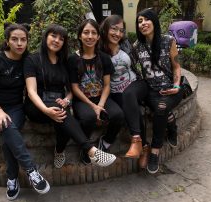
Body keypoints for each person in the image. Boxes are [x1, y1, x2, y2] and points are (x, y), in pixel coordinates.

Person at [23, 24, 116, 168]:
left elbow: (71, 89)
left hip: (58, 104)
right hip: (36, 106)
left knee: (63, 119)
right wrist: (46, 110)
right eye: (53, 36)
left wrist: (67, 99)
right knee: (63, 116)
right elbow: (31, 91)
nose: (56, 40)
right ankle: (91, 150)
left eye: (61, 38)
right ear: (45, 37)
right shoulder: (32, 60)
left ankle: (59, 150)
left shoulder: (63, 62)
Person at [0, 23, 50, 201]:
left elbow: (33, 86)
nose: (19, 43)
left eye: (23, 40)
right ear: (7, 41)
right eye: (15, 39)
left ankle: (12, 178)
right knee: (6, 125)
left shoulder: (27, 60)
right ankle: (32, 170)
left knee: (6, 135)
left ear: (27, 41)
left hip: (16, 108)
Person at [133, 8, 183, 174]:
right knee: (161, 109)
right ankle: (172, 124)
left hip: (170, 88)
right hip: (152, 91)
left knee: (161, 108)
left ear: (154, 21)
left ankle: (155, 152)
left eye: (146, 20)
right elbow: (131, 66)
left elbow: (176, 67)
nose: (143, 24)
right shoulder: (137, 46)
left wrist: (176, 86)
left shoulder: (168, 41)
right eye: (139, 21)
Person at [68, 19, 124, 164]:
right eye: (86, 32)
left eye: (94, 33)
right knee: (88, 118)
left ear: (98, 37)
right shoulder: (73, 59)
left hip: (101, 97)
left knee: (118, 115)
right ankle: (86, 148)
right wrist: (94, 107)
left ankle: (105, 142)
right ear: (79, 36)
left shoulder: (104, 58)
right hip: (82, 100)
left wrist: (100, 104)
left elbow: (106, 85)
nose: (90, 36)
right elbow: (74, 87)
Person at [99, 15, 150, 168]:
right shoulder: (99, 48)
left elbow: (140, 62)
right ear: (106, 29)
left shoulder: (127, 44)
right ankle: (144, 147)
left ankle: (140, 145)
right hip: (114, 91)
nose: (118, 34)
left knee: (131, 98)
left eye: (121, 30)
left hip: (135, 84)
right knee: (131, 111)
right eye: (114, 29)